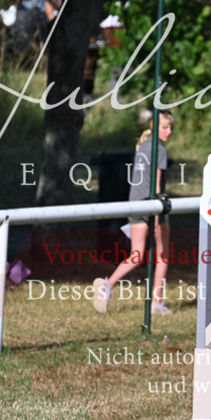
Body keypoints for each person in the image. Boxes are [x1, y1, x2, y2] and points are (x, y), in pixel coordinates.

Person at [92, 111, 175, 315]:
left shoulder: (143, 146)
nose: (169, 131)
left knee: (136, 255)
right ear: (154, 127)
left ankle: (108, 284)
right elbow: (156, 185)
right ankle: (156, 302)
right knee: (163, 255)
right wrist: (157, 212)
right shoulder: (159, 149)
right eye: (165, 127)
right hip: (152, 204)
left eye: (171, 127)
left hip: (135, 203)